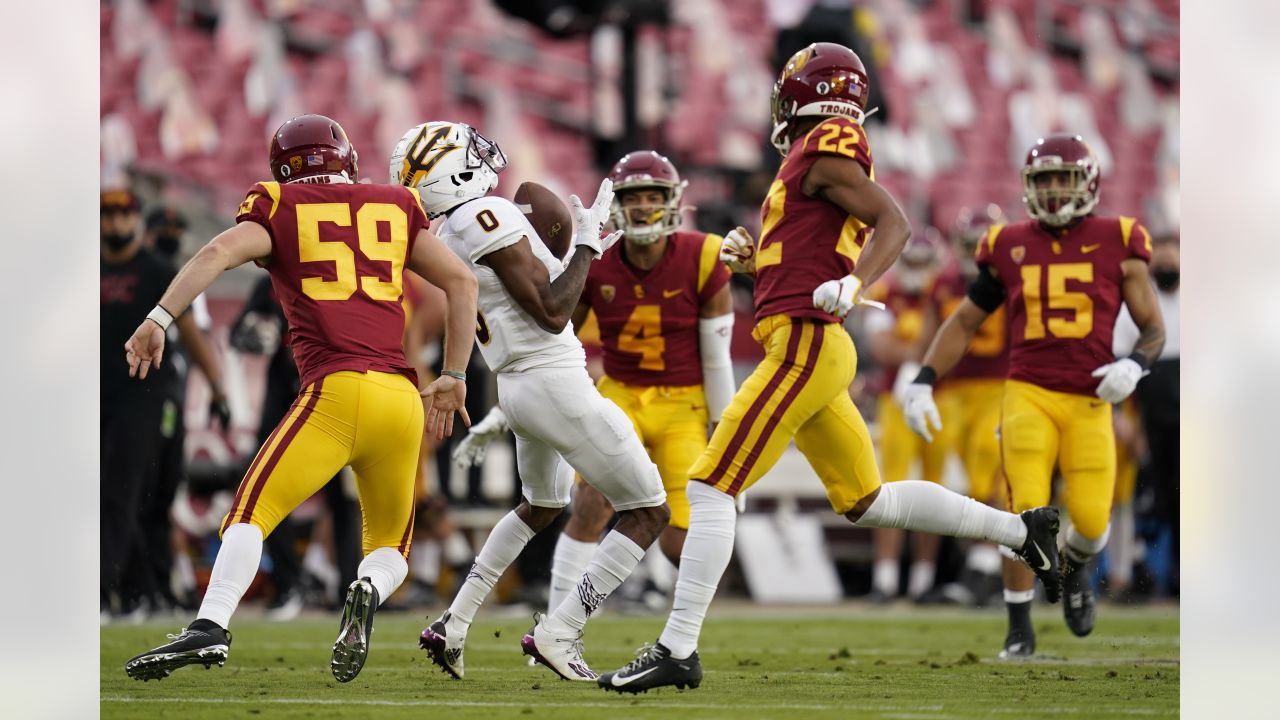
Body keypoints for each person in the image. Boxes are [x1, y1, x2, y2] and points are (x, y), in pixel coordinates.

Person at [597, 43, 1063, 693]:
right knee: (868, 502)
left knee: (709, 486)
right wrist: (757, 262)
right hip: (808, 338)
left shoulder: (827, 141)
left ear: (808, 92)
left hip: (806, 342)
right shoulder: (810, 156)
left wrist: (854, 282)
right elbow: (813, 249)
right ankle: (1022, 531)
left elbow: (892, 224)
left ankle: (677, 647)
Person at [122, 114, 478, 683]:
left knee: (249, 511)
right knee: (390, 547)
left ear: (283, 169)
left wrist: (160, 317)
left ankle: (210, 626)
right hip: (401, 397)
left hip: (335, 392)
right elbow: (462, 282)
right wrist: (455, 374)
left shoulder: (278, 204)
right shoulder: (395, 204)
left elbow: (215, 253)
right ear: (347, 160)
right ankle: (364, 588)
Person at [391, 121, 668, 683]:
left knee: (541, 505)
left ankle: (455, 620)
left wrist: (587, 250)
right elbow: (552, 310)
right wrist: (586, 246)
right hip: (553, 381)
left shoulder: (449, 231)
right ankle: (560, 630)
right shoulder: (485, 216)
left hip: (518, 387)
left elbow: (534, 299)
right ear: (457, 172)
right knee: (648, 510)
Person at [901, 134, 1166, 658]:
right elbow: (965, 320)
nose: (1051, 191)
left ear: (1086, 182)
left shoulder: (1120, 238)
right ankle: (1018, 627)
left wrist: (1134, 365)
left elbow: (1153, 329)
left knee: (1091, 521)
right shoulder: (1008, 244)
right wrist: (924, 377)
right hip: (1028, 393)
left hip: (1090, 398)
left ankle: (1077, 568)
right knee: (1022, 513)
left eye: (1061, 179)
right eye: (1042, 180)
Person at [452, 150, 735, 614]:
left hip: (684, 404)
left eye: (652, 196)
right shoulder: (596, 261)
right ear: (617, 204)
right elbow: (548, 344)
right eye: (633, 197)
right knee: (590, 504)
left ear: (673, 201)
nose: (643, 207)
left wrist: (724, 430)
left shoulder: (702, 255)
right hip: (621, 393)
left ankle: (677, 634)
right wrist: (506, 415)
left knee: (678, 542)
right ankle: (560, 619)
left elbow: (717, 357)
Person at [101, 190, 229, 621]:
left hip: (146, 397)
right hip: (96, 396)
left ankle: (115, 591)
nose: (116, 222)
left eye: (123, 212)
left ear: (134, 218)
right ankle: (136, 588)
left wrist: (219, 388)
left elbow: (191, 332)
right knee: (113, 497)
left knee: (130, 494)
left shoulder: (158, 272)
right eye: (108, 213)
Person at [917, 205, 1012, 606]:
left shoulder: (1013, 279)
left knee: (986, 462)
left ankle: (985, 566)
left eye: (980, 245)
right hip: (953, 390)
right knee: (944, 469)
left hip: (998, 386)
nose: (974, 253)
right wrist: (918, 374)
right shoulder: (944, 282)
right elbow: (930, 331)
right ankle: (958, 569)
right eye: (968, 245)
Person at [862, 233, 947, 602]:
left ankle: (922, 582)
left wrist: (913, 352)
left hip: (939, 399)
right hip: (895, 402)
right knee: (890, 491)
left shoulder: (944, 295)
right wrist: (921, 352)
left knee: (936, 489)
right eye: (910, 262)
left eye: (921, 263)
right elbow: (882, 348)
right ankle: (885, 579)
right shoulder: (885, 294)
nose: (915, 272)